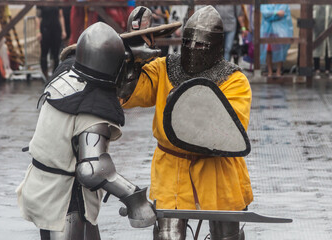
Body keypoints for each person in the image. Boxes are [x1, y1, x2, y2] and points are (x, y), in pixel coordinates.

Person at [121, 5, 253, 240]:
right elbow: (127, 95)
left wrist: (186, 105)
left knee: (227, 235)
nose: (192, 48)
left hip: (218, 169)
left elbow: (226, 129)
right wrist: (133, 60)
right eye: (188, 42)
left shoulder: (235, 80)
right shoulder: (164, 67)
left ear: (215, 46)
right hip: (172, 167)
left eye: (200, 44)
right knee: (168, 236)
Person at [16, 22, 156, 240]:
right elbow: (93, 169)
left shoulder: (65, 77)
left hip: (42, 186)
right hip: (65, 200)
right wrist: (135, 199)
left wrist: (125, 49)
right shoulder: (93, 108)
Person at [260, 4, 293, 77]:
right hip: (267, 30)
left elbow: (283, 13)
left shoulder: (283, 3)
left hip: (279, 30)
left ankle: (278, 71)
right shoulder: (265, 3)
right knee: (268, 51)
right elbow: (265, 13)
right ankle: (270, 72)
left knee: (279, 50)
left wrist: (271, 14)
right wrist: (276, 13)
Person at [36, 6, 66, 79]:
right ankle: (45, 74)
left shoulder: (57, 1)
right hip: (45, 28)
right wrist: (38, 31)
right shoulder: (41, 2)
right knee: (44, 52)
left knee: (56, 53)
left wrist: (63, 30)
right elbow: (37, 17)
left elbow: (61, 16)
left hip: (56, 28)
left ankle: (54, 74)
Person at [313, 5, 332, 78]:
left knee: (328, 48)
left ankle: (328, 69)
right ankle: (317, 69)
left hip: (329, 28)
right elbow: (313, 11)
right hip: (318, 27)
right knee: (316, 47)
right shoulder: (316, 4)